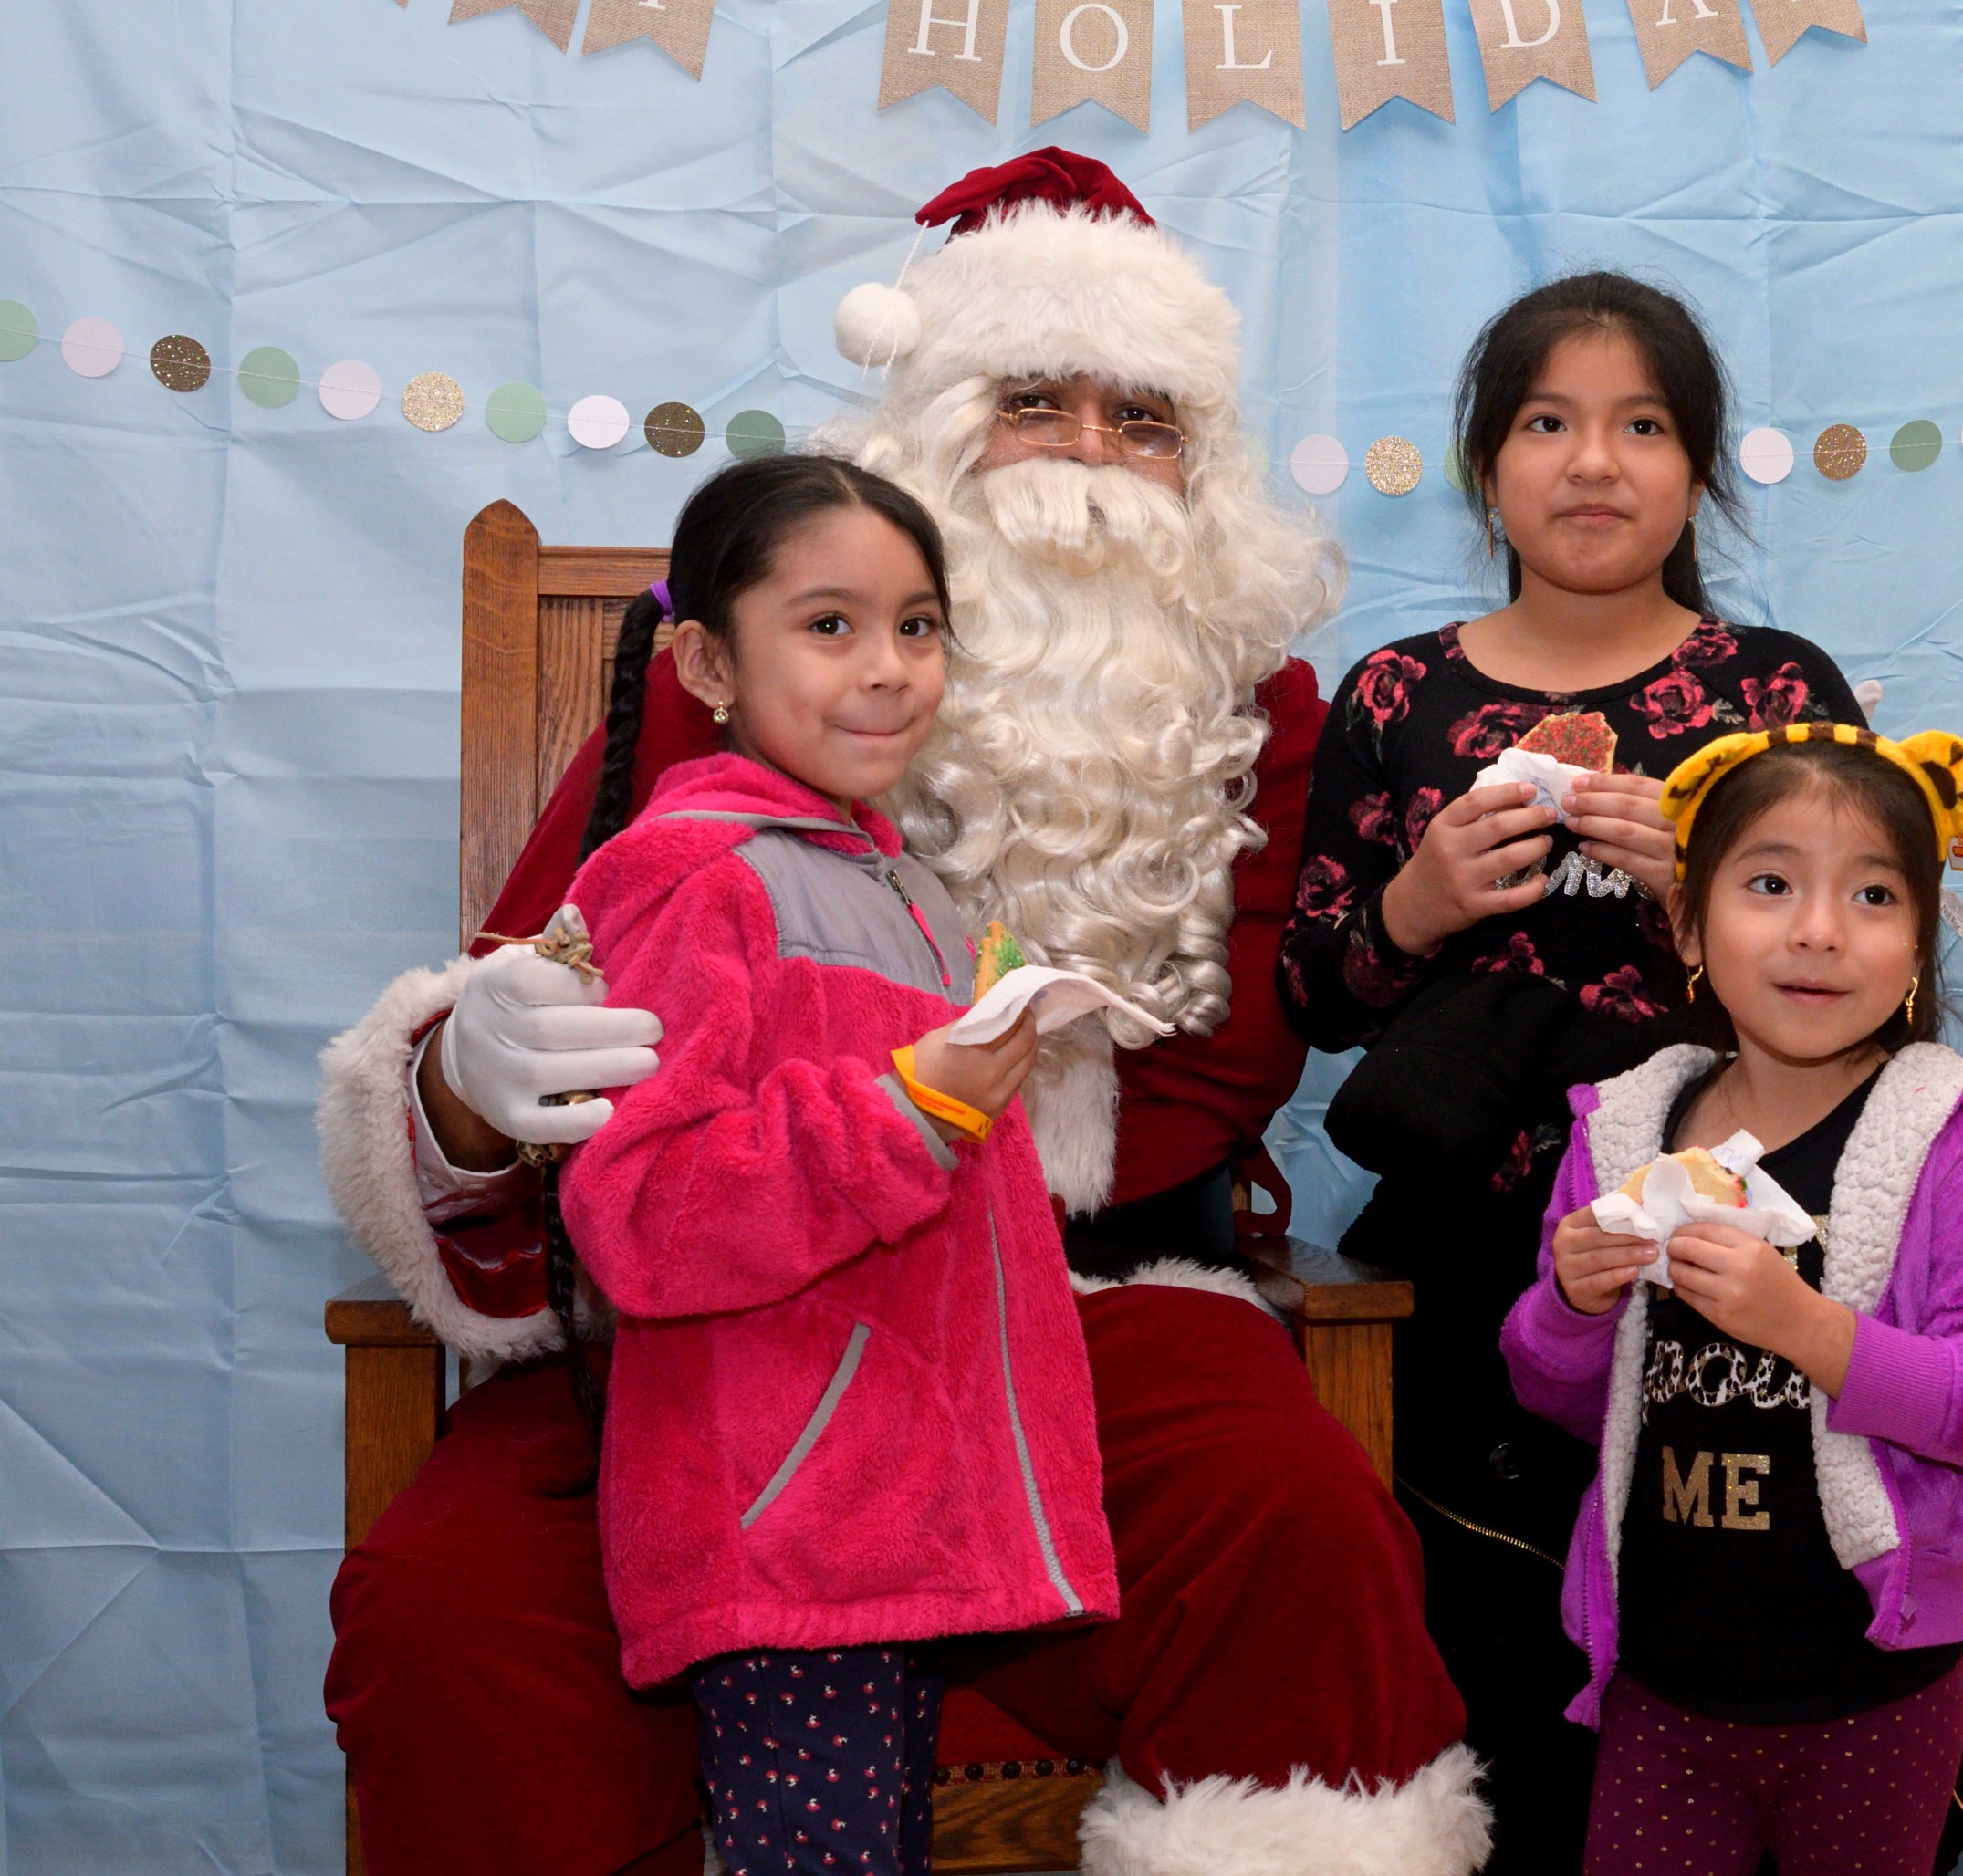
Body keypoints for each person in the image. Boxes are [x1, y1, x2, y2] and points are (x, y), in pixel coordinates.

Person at [318, 150, 1486, 1875]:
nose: (1088, 457)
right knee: (454, 1605)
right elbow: (534, 1007)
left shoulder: (1253, 711)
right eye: (1032, 400)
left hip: (1087, 1310)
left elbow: (1243, 1052)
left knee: (1294, 1517)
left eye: (1141, 416)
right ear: (931, 426)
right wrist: (461, 1085)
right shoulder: (720, 688)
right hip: (713, 1328)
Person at [1277, 273, 1867, 1867]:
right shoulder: (1397, 696)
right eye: (1547, 422)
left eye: (1642, 425)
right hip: (1468, 1248)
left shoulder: (1775, 692)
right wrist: (1417, 901)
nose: (1592, 462)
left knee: (1715, 1670)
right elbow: (1309, 994)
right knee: (1482, 1671)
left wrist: (1709, 891)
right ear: (1486, 466)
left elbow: (1869, 984)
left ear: (1699, 467)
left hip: (1721, 1246)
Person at [548, 452, 1088, 1872]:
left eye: (918, 625)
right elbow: (647, 1213)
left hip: (890, 1521)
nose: (891, 668)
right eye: (831, 624)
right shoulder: (699, 875)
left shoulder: (896, 880)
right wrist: (915, 1110)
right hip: (786, 1528)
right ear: (707, 660)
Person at [1498, 724, 1963, 1875]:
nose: (1817, 930)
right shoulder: (1624, 1126)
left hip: (1869, 1687)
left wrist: (1807, 1327)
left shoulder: (1954, 1138)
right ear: (1686, 927)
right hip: (1658, 1684)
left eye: (1871, 895)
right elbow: (1558, 1397)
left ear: (1918, 943)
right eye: (1769, 884)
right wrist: (1569, 1302)